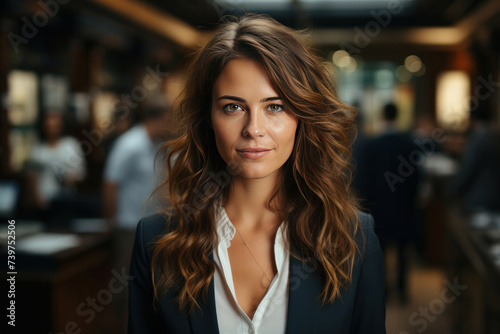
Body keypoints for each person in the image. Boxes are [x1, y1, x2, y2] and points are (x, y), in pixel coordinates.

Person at [129, 14, 386, 334]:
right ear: (208, 117)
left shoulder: (355, 239)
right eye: (233, 107)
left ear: (301, 117)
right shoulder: (155, 243)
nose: (253, 129)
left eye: (275, 106)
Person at [102, 103, 170, 333]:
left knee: (149, 285)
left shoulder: (158, 145)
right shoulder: (130, 144)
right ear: (157, 118)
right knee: (125, 284)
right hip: (129, 226)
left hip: (152, 225)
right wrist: (112, 220)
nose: (172, 125)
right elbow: (110, 183)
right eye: (169, 119)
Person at [363, 103, 421, 304]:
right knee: (404, 250)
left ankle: (383, 291)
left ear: (382, 115)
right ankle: (403, 291)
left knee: (380, 250)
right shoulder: (409, 144)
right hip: (403, 204)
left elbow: (365, 179)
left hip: (379, 205)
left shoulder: (372, 145)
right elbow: (416, 179)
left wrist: (367, 202)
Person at [28, 111, 86, 221]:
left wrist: (69, 179)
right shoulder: (37, 150)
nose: (52, 127)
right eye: (49, 125)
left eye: (56, 125)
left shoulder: (70, 144)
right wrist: (37, 200)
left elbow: (80, 174)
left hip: (67, 201)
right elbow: (32, 177)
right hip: (44, 202)